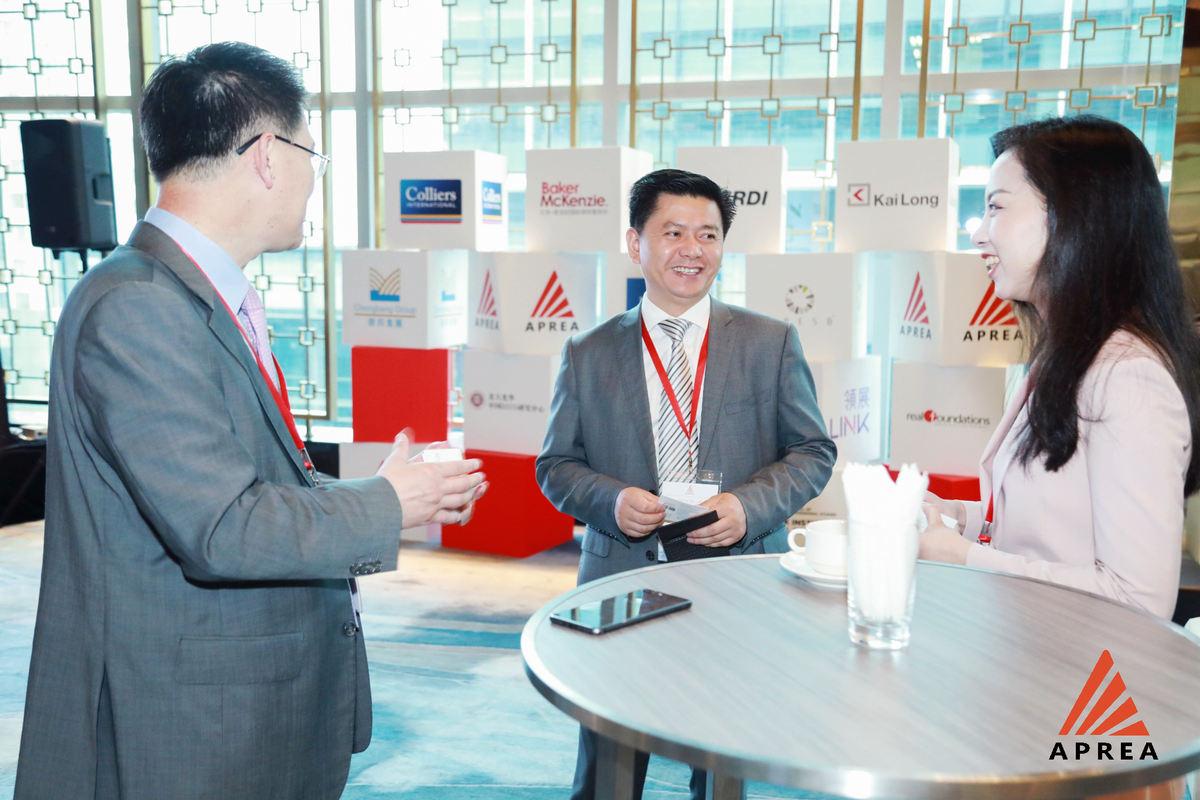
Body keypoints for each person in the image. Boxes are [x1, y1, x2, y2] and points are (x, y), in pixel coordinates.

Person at [14, 42, 487, 799]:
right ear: (268, 154)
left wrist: (382, 490)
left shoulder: (193, 292)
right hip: (193, 721)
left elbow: (236, 483)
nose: (312, 180)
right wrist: (388, 505)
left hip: (238, 697)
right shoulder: (139, 306)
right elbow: (221, 528)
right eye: (312, 155)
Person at [536, 168, 836, 800]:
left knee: (721, 759)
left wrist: (749, 506)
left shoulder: (770, 343)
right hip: (622, 575)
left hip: (735, 576)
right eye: (673, 232)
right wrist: (611, 500)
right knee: (609, 764)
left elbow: (812, 452)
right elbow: (556, 466)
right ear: (634, 242)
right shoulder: (588, 352)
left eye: (708, 234)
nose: (692, 249)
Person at [920, 115, 1200, 620]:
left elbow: (1139, 599)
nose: (979, 234)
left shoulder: (1127, 376)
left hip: (1077, 665)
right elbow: (1053, 528)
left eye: (996, 207)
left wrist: (965, 558)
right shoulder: (1068, 356)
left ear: (1072, 215)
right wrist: (959, 519)